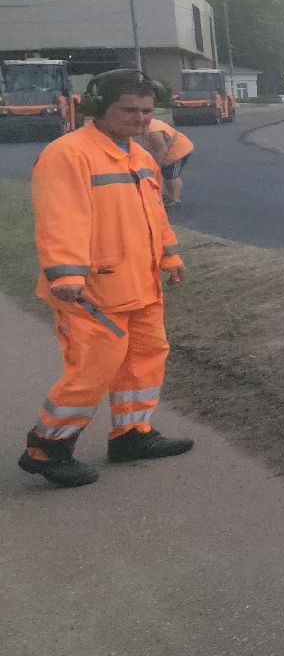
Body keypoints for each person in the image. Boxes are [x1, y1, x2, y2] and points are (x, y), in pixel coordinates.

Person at [17, 69, 192, 489]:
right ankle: (46, 448)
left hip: (140, 284)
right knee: (93, 369)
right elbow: (61, 219)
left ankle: (131, 435)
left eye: (147, 111)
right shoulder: (68, 154)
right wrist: (65, 273)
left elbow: (154, 214)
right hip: (89, 290)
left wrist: (169, 256)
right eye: (129, 109)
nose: (140, 118)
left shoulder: (139, 155)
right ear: (98, 109)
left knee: (143, 361)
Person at [139, 114, 193, 207]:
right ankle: (171, 196)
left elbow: (162, 149)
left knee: (171, 175)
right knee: (166, 173)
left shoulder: (154, 132)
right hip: (169, 147)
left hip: (179, 149)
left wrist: (157, 164)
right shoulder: (147, 126)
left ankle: (175, 199)